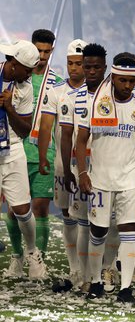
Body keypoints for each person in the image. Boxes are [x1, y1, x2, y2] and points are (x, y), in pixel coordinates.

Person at [75, 57, 135, 303]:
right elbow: (81, 140)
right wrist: (82, 172)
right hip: (99, 179)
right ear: (113, 77)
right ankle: (97, 282)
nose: (128, 85)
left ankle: (126, 288)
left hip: (130, 180)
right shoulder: (96, 104)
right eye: (123, 80)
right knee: (98, 231)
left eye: (132, 81)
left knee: (128, 231)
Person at [6, 30, 62, 263]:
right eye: (38, 50)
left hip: (44, 150)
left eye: (46, 51)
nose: (41, 56)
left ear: (52, 51)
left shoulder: (57, 83)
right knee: (14, 209)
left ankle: (38, 258)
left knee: (40, 207)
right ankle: (17, 257)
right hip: (15, 148)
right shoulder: (15, 77)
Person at [37, 39, 87, 291]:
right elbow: (46, 125)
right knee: (67, 215)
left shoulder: (97, 92)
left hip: (90, 165)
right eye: (70, 63)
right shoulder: (56, 91)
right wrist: (43, 154)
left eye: (78, 63)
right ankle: (75, 269)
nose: (73, 68)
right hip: (62, 165)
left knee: (88, 218)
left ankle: (92, 271)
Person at [59, 43, 108, 292]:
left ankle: (104, 273)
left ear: (104, 68)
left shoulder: (112, 97)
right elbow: (67, 135)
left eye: (95, 67)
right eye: (87, 66)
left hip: (109, 169)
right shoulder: (72, 98)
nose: (90, 71)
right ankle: (83, 275)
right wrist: (71, 170)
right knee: (81, 221)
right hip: (83, 168)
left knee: (106, 224)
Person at [0, 40, 47, 279]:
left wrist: (9, 108)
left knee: (21, 208)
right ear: (13, 63)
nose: (30, 74)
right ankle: (16, 258)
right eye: (27, 69)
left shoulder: (25, 88)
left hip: (13, 148)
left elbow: (25, 130)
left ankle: (31, 253)